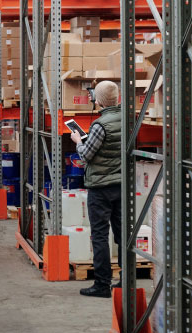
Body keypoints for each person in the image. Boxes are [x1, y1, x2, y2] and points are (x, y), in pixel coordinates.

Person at [70, 80, 122, 299]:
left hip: (101, 187)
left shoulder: (100, 125)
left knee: (100, 236)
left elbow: (86, 155)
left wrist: (78, 141)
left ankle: (102, 284)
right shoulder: (126, 118)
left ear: (97, 101)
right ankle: (125, 280)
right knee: (122, 234)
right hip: (121, 185)